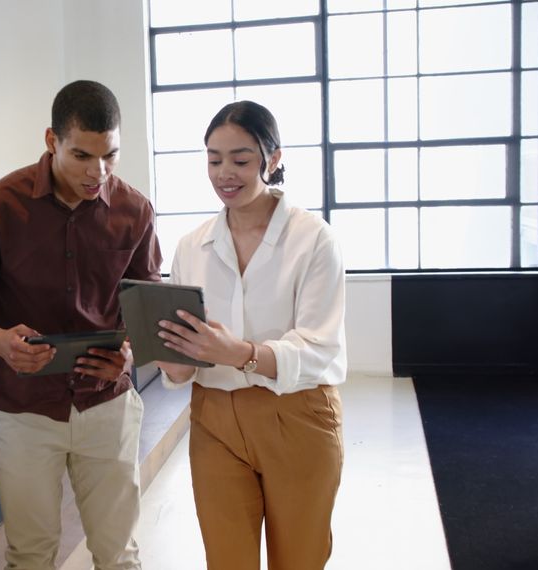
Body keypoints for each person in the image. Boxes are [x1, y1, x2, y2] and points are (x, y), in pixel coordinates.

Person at [0, 79, 161, 570]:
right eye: (82, 156)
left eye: (110, 156)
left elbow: (143, 302)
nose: (98, 172)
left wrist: (129, 350)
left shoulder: (135, 209)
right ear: (51, 140)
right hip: (23, 409)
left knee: (120, 554)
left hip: (108, 404)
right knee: (31, 556)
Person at [154, 100, 347, 570]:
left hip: (296, 415)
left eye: (240, 160)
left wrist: (239, 353)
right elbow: (182, 357)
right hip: (214, 418)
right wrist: (169, 355)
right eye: (214, 159)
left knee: (299, 558)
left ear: (272, 158)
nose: (225, 173)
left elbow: (319, 347)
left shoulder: (313, 238)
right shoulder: (191, 245)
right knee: (226, 559)